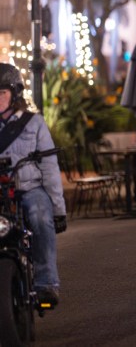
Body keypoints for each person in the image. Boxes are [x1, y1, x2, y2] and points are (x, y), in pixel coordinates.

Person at [0, 63, 66, 305]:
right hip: (0, 192)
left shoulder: (33, 122)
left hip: (29, 189)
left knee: (40, 217)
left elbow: (49, 167)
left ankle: (46, 283)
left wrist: (58, 209)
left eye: (2, 93)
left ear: (15, 93)